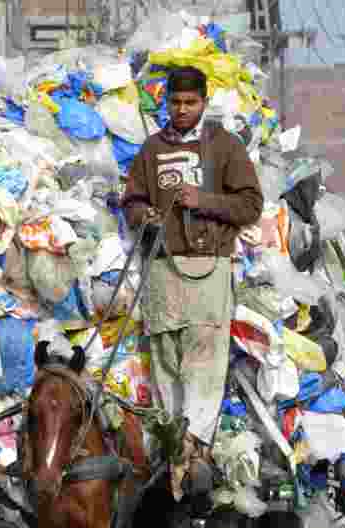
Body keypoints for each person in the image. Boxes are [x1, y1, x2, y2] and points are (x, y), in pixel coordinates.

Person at [122, 66, 264, 504]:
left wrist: (203, 200)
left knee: (203, 356)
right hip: (163, 268)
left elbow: (251, 205)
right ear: (166, 104)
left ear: (204, 102)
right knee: (165, 355)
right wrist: (142, 215)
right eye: (175, 103)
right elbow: (132, 200)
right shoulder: (152, 149)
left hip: (209, 266)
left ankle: (196, 443)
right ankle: (173, 442)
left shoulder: (225, 146)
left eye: (190, 103)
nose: (182, 110)